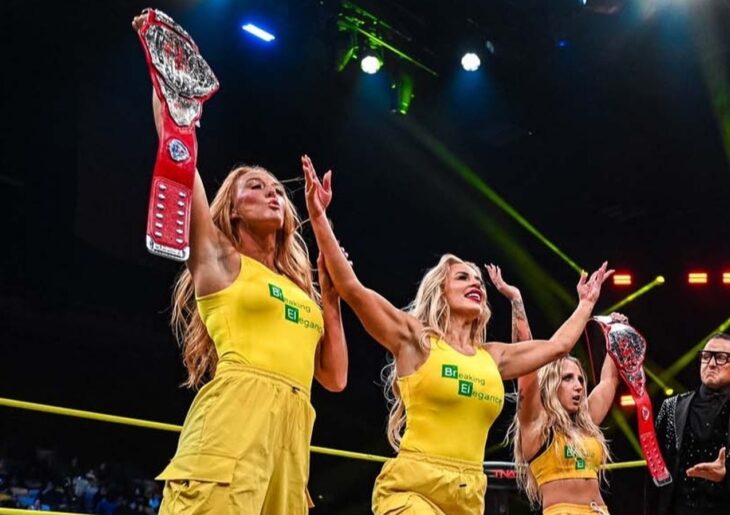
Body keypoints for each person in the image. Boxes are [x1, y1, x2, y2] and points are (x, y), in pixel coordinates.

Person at [300, 156, 615, 515]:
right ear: (440, 291)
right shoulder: (415, 339)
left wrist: (586, 304)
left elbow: (559, 346)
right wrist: (319, 217)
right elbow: (352, 289)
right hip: (414, 487)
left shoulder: (493, 357)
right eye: (463, 277)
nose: (475, 283)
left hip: (468, 496)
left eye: (479, 280)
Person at [134, 15, 349, 515]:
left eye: (277, 190)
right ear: (232, 208)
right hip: (233, 422)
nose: (273, 194)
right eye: (256, 187)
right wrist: (172, 100)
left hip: (293, 435)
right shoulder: (219, 260)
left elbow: (335, 378)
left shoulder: (301, 289)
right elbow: (180, 162)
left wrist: (331, 296)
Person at [487, 265, 620, 515]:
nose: (578, 385)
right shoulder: (536, 425)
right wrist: (516, 300)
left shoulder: (586, 421)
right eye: (568, 378)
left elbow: (609, 382)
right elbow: (525, 362)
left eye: (580, 379)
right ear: (550, 385)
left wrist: (616, 336)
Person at [647, 333, 730, 515]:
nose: (711, 363)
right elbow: (654, 470)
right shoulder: (671, 407)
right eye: (706, 356)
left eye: (721, 357)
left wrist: (725, 474)